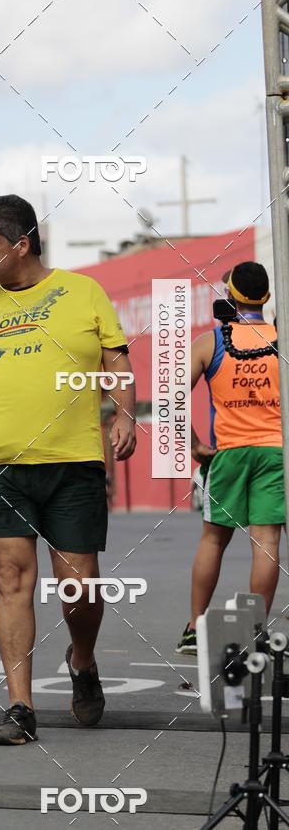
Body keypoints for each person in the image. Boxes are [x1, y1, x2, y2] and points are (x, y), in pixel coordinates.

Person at [0, 194, 136, 745]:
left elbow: (114, 357)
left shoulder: (81, 292)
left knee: (80, 589)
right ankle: (20, 706)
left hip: (73, 463)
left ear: (21, 244)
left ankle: (83, 659)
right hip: (1, 466)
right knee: (11, 578)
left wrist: (124, 412)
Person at [176, 262, 284, 654]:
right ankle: (256, 631)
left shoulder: (211, 342)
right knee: (267, 541)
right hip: (276, 453)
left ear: (230, 296)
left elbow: (172, 397)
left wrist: (193, 446)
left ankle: (195, 627)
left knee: (213, 539)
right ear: (266, 298)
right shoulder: (280, 339)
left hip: (229, 453)